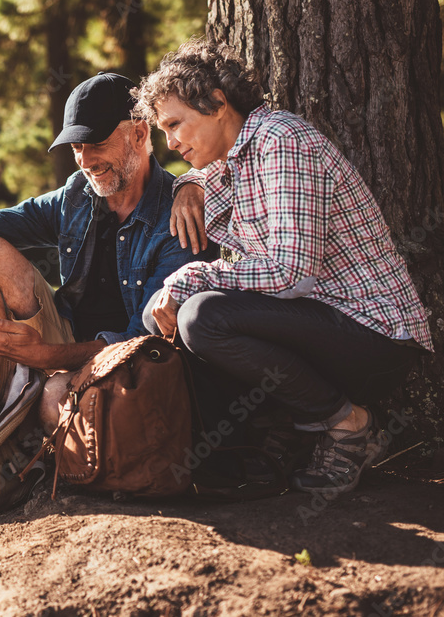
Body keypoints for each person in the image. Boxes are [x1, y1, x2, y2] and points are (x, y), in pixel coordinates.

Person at [132, 38, 433, 497]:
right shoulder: (229, 160)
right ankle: (280, 432)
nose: (170, 143)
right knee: (166, 316)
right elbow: (199, 179)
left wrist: (191, 278)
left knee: (202, 316)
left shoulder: (280, 143)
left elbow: (292, 273)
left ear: (216, 103)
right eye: (163, 131)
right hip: (321, 328)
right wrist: (186, 185)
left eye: (175, 125)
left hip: (375, 338)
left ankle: (351, 425)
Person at [0, 72, 207, 433]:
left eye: (95, 143)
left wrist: (44, 356)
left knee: (56, 400)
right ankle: (11, 388)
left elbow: (143, 339)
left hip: (129, 360)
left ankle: (19, 404)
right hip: (64, 336)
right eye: (76, 147)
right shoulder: (77, 194)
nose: (85, 160)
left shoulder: (178, 215)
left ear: (139, 133)